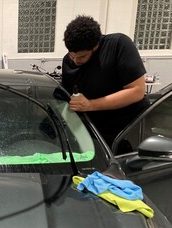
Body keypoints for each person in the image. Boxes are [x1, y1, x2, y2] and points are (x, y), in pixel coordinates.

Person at [61, 15, 149, 150]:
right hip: (95, 133)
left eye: (82, 56)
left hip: (128, 130)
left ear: (96, 45)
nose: (76, 61)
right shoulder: (68, 61)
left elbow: (137, 91)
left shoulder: (118, 45)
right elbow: (67, 98)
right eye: (72, 54)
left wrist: (90, 105)